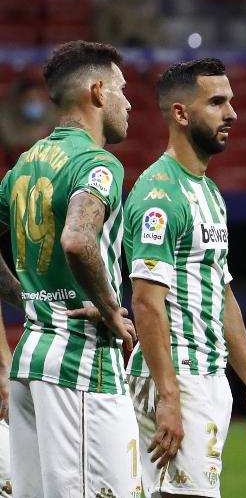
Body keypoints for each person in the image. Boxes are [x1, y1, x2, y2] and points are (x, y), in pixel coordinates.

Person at [123, 58, 246, 496]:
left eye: (231, 101)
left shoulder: (208, 192)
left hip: (206, 379)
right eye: (217, 102)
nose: (232, 113)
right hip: (178, 377)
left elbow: (221, 294)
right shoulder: (160, 194)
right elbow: (147, 302)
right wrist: (169, 396)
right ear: (180, 113)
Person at [0, 40, 143, 497]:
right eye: (122, 89)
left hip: (30, 359)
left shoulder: (25, 164)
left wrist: (26, 297)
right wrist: (110, 306)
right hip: (80, 365)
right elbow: (79, 241)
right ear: (97, 91)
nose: (129, 102)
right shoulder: (97, 164)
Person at [0, 76, 55, 163]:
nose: (35, 103)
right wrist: (37, 135)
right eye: (30, 99)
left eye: (39, 99)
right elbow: (10, 138)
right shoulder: (6, 113)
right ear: (20, 100)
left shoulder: (51, 112)